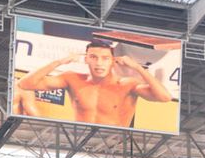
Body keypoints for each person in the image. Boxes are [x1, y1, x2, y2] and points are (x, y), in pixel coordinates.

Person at [16, 40, 173, 128]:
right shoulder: (72, 79)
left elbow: (165, 97)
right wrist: (59, 62)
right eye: (93, 57)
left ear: (113, 61)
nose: (99, 63)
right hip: (79, 140)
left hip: (112, 141)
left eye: (105, 58)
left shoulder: (127, 85)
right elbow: (25, 84)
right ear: (86, 59)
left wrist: (137, 67)